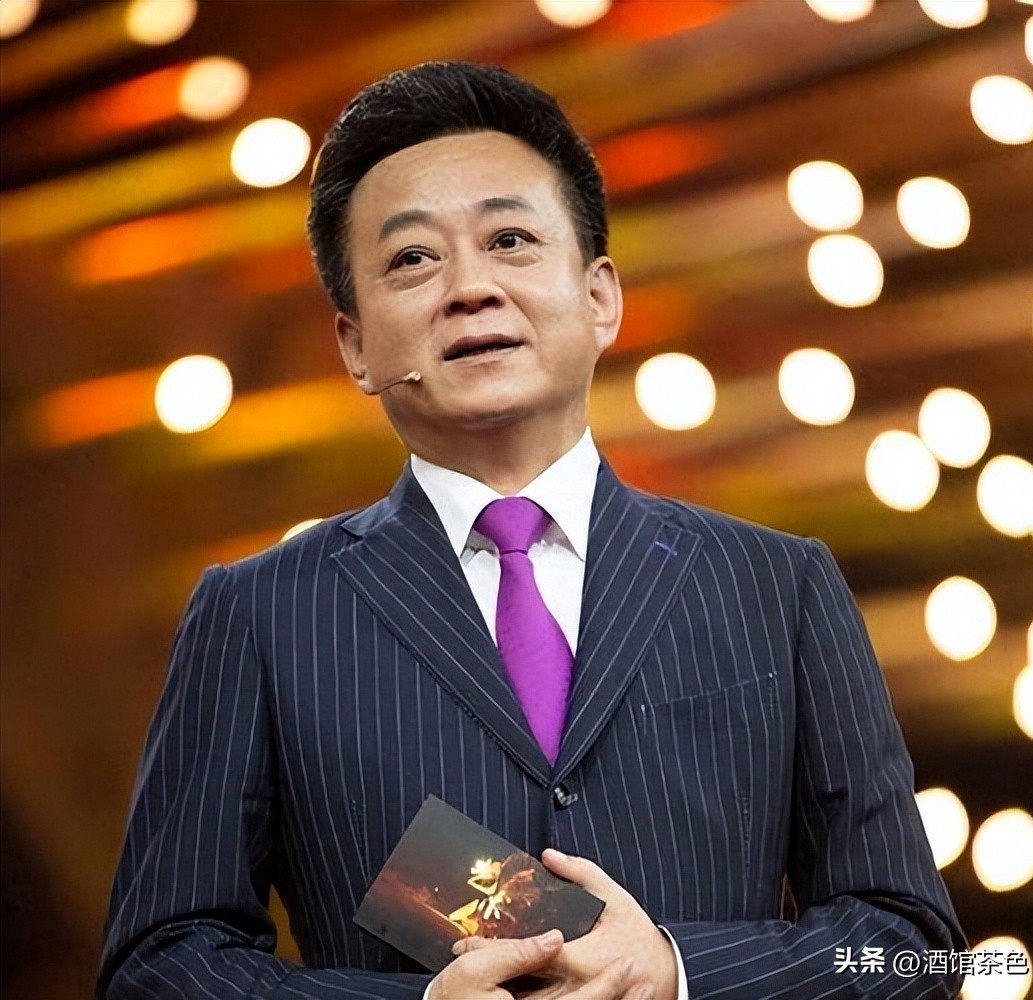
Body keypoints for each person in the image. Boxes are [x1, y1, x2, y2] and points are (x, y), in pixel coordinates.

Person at [98, 61, 966, 999]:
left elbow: (916, 949)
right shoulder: (261, 612)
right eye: (412, 259)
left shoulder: (776, 585)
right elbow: (160, 967)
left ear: (600, 298)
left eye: (510, 239)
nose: (469, 287)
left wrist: (676, 972)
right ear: (355, 346)